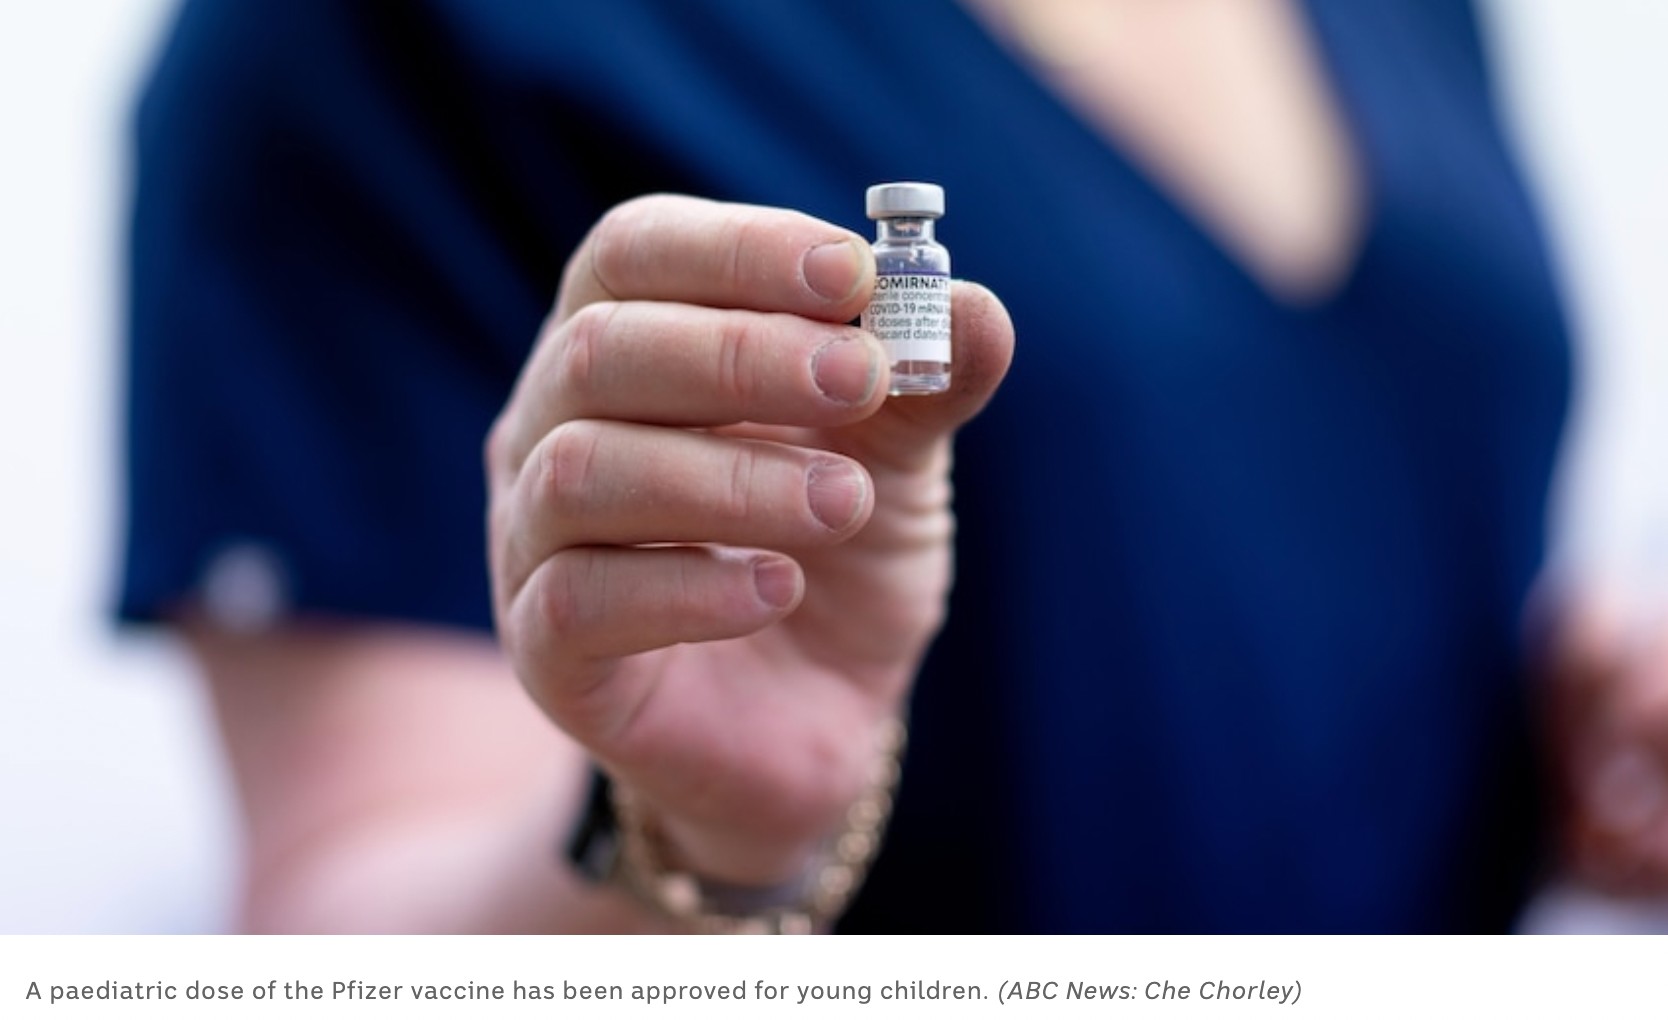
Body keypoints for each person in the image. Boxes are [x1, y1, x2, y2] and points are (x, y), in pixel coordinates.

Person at [120, 0, 1668, 932]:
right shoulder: (386, 42)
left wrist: (1572, 729)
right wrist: (698, 839)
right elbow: (340, 939)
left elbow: (1290, 503)